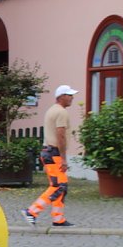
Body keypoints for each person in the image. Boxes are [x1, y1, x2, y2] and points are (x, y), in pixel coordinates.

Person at [22, 85, 77, 227]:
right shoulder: (61, 112)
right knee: (58, 186)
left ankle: (58, 218)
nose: (72, 97)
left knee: (60, 186)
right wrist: (63, 158)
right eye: (69, 95)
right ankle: (31, 211)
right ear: (61, 97)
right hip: (55, 154)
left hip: (49, 152)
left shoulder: (52, 110)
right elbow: (61, 135)